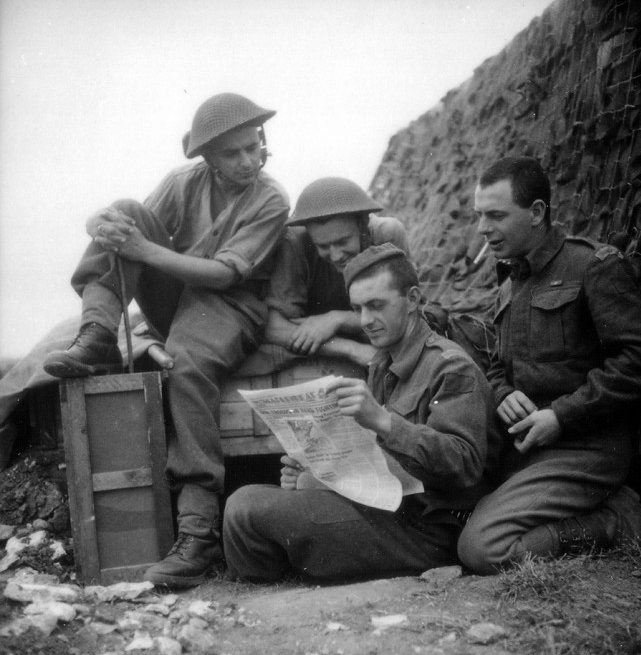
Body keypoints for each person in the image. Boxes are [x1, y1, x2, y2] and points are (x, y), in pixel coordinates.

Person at [43, 93, 290, 587]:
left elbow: (222, 275)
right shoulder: (184, 182)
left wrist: (142, 249)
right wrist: (101, 224)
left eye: (254, 147)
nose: (248, 160)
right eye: (232, 153)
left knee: (186, 364)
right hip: (179, 294)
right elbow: (127, 236)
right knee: (126, 212)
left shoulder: (271, 198)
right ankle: (98, 334)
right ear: (207, 158)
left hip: (231, 303)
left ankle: (197, 534)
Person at [457, 156, 641, 574]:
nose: (483, 229)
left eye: (496, 215)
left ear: (537, 212)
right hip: (528, 447)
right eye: (479, 216)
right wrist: (503, 394)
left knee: (482, 548)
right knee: (444, 511)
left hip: (586, 447)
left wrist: (561, 416)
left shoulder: (592, 266)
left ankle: (617, 523)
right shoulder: (510, 283)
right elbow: (494, 364)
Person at [223, 244, 501, 582]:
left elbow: (465, 465)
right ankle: (286, 572)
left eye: (376, 306)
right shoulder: (384, 362)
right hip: (387, 509)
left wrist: (383, 422)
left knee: (245, 510)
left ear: (413, 299)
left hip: (429, 530)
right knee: (251, 500)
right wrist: (316, 471)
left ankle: (276, 580)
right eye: (358, 308)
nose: (366, 320)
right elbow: (378, 462)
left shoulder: (450, 366)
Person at [263, 177, 410, 366]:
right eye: (323, 246)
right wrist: (351, 350)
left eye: (342, 242)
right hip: (327, 348)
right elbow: (274, 328)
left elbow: (406, 312)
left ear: (363, 225)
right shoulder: (294, 244)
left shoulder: (387, 234)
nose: (335, 256)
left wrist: (338, 319)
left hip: (374, 335)